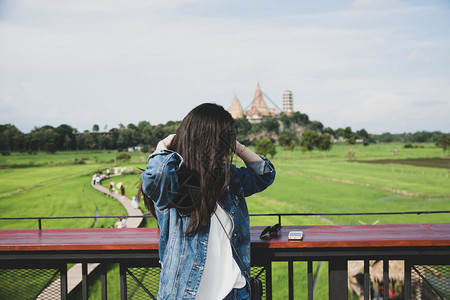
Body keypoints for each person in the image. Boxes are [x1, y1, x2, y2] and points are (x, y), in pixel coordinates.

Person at [139, 103, 275, 300]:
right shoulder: (174, 180)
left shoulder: (228, 178)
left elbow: (265, 175)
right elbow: (154, 179)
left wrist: (238, 147)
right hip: (185, 294)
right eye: (225, 137)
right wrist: (161, 148)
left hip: (235, 293)